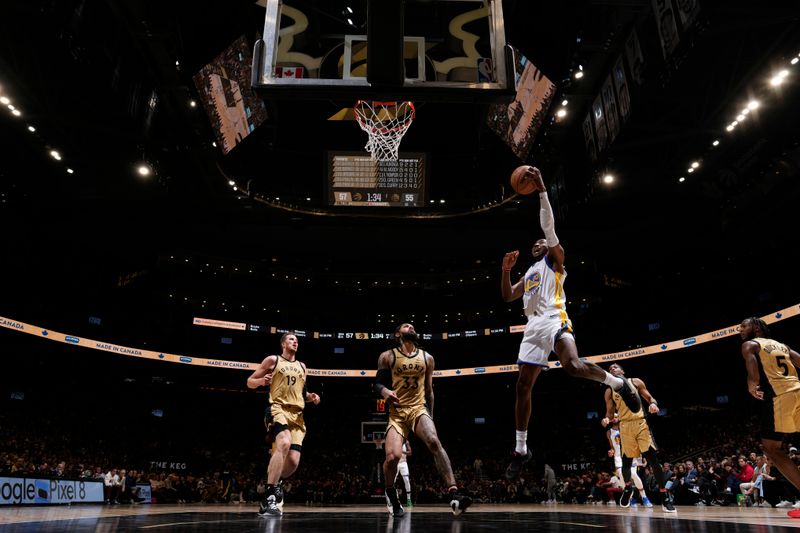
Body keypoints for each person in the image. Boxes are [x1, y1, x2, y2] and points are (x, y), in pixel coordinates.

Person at [501, 166, 642, 480]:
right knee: (523, 387)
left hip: (554, 318)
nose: (539, 243)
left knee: (573, 365)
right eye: (536, 243)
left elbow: (547, 226)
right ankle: (521, 450)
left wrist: (541, 190)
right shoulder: (529, 274)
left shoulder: (555, 261)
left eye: (543, 242)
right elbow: (508, 296)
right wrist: (505, 270)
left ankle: (619, 384)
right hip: (532, 327)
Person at [375, 322, 471, 517]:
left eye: (412, 326)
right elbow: (377, 385)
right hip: (397, 413)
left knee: (434, 441)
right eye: (405, 326)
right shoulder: (388, 356)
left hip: (418, 408)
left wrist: (431, 416)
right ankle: (391, 494)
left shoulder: (427, 358)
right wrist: (385, 391)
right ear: (397, 334)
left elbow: (429, 390)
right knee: (392, 457)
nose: (410, 327)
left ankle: (454, 494)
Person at [247, 332, 321, 517]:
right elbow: (249, 382)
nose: (295, 341)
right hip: (278, 408)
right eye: (291, 339)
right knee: (284, 444)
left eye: (296, 340)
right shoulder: (273, 360)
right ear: (283, 344)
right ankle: (269, 498)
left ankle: (276, 480)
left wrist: (311, 397)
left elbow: (301, 393)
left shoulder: (302, 366)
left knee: (293, 463)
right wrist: (260, 381)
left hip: (297, 415)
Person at [738, 316, 800, 518]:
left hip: (780, 396)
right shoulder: (782, 346)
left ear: (756, 328)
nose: (740, 330)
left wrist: (752, 384)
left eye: (743, 326)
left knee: (771, 448)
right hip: (798, 390)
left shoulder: (750, 345)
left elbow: (752, 368)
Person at [601, 363, 676, 512]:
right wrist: (606, 419)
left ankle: (664, 496)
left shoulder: (635, 381)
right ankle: (628, 488)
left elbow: (650, 397)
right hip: (625, 426)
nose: (612, 369)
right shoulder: (609, 391)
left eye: (615, 367)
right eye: (610, 369)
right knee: (626, 464)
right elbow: (610, 412)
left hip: (641, 423)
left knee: (654, 462)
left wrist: (653, 404)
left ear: (622, 371)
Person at [606, 419, 652, 507]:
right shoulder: (609, 432)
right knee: (622, 476)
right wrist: (611, 451)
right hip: (618, 457)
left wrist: (642, 457)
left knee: (634, 474)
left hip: (629, 453)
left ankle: (644, 497)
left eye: (617, 415)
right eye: (614, 416)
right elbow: (612, 446)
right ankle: (630, 498)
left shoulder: (627, 428)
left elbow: (636, 442)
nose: (615, 417)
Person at [395, 439, 413, 507]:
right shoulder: (394, 440)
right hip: (396, 462)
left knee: (406, 480)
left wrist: (402, 451)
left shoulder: (406, 442)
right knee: (393, 481)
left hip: (403, 462)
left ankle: (409, 499)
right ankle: (392, 499)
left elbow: (410, 453)